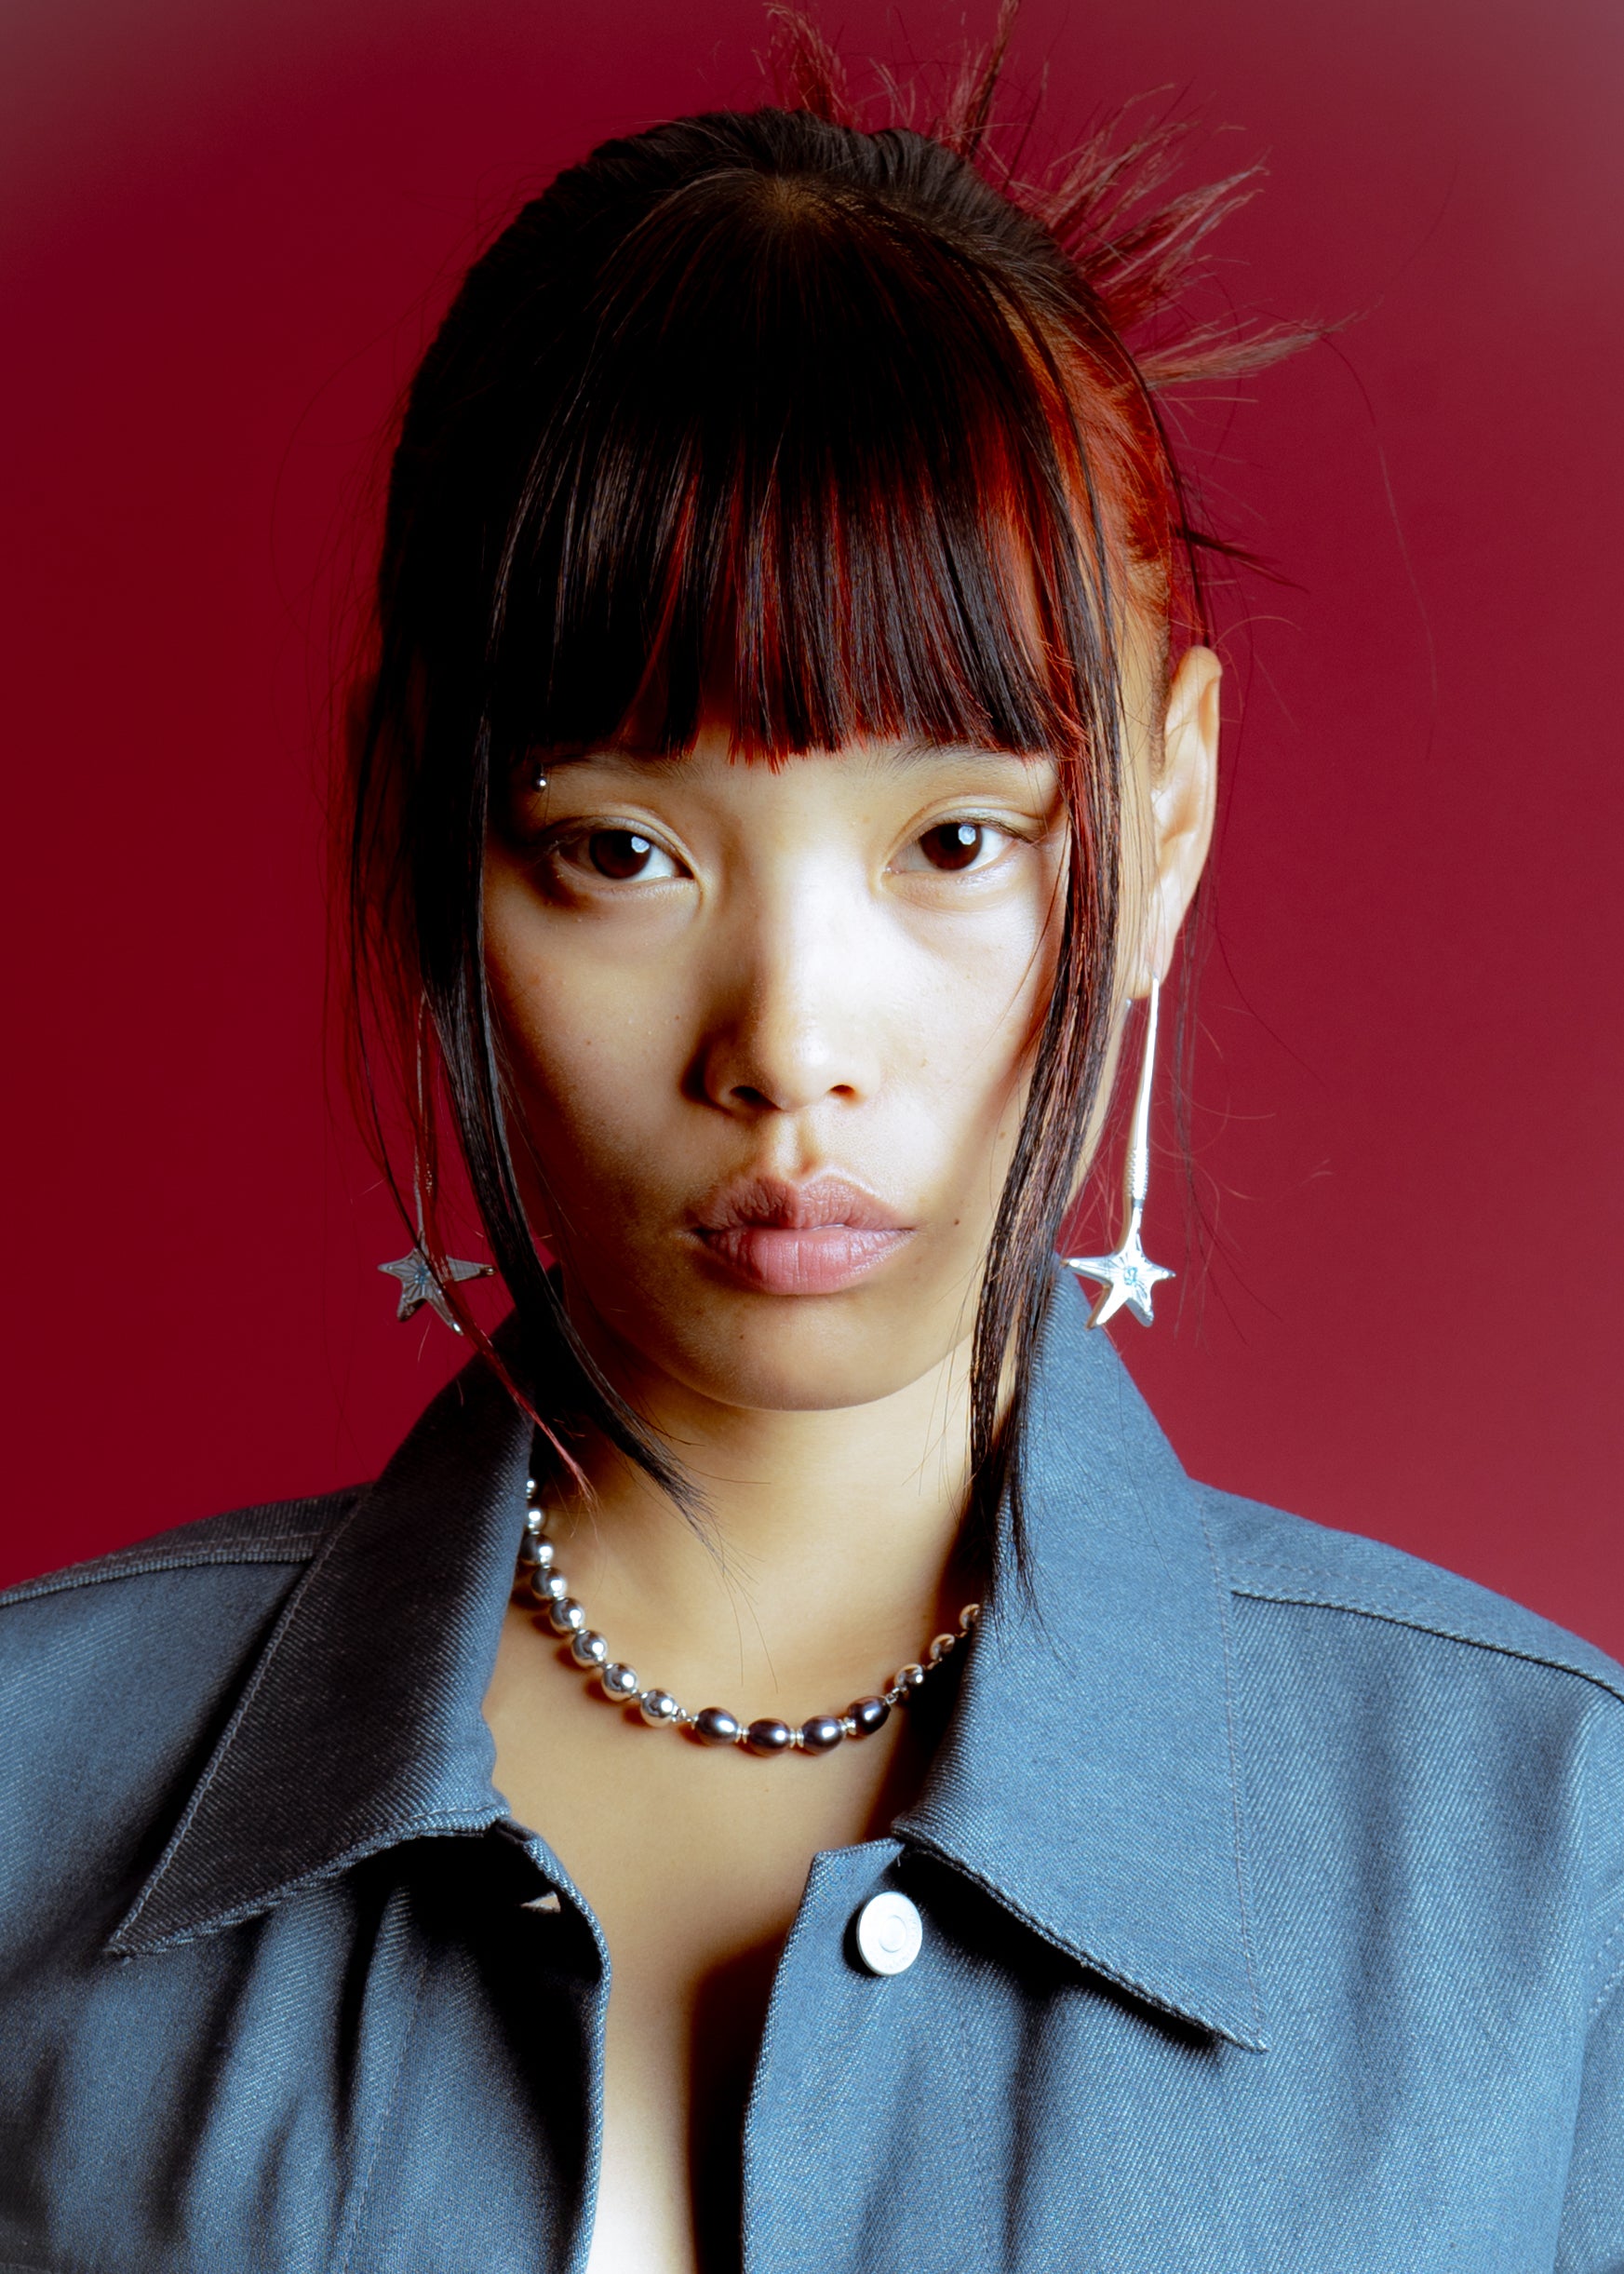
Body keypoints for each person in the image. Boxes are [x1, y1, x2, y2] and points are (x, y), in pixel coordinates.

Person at [1, 21, 1620, 2274]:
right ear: (420, 835)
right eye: (623, 849)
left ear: (1164, 816)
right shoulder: (26, 1795)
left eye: (956, 836)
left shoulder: (1556, 1877)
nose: (789, 1044)